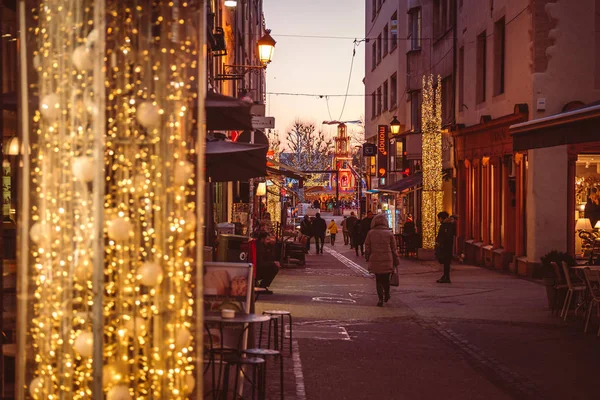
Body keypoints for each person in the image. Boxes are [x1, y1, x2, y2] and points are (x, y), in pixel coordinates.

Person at [364, 214, 399, 307]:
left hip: (375, 258)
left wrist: (367, 256)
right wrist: (396, 260)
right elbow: (394, 249)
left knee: (378, 280)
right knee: (386, 279)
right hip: (387, 259)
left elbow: (367, 247)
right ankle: (387, 294)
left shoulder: (371, 233)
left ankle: (380, 299)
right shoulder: (389, 233)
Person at [435, 211, 454, 284]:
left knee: (446, 262)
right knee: (446, 263)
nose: (439, 220)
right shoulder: (448, 224)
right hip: (447, 246)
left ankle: (446, 277)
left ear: (441, 218)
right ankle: (445, 276)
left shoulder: (446, 225)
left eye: (439, 218)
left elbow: (445, 236)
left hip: (445, 247)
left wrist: (440, 242)